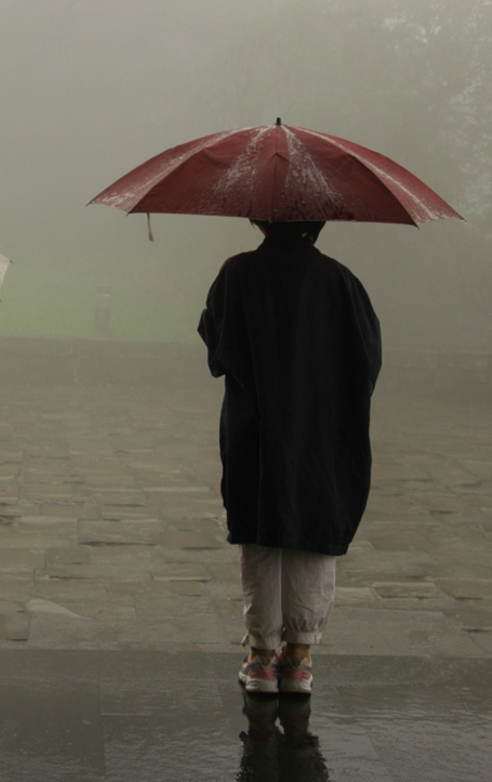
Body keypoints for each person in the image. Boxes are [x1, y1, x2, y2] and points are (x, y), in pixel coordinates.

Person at [198, 220, 381, 695]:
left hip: (254, 427)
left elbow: (217, 349)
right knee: (314, 528)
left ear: (259, 218)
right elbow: (366, 360)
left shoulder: (237, 274)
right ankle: (299, 658)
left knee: (259, 531)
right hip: (321, 428)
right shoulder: (340, 280)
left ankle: (261, 658)